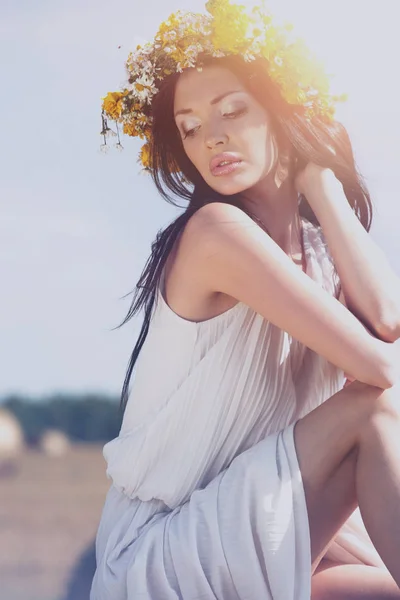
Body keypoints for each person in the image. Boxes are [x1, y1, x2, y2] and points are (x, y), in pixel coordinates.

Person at [91, 1, 400, 598]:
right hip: (166, 547)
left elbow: (387, 320)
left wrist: (323, 184)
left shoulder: (316, 246)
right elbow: (383, 371)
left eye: (233, 110)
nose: (213, 138)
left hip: (269, 521)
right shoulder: (216, 234)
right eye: (190, 126)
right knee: (375, 407)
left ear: (282, 114)